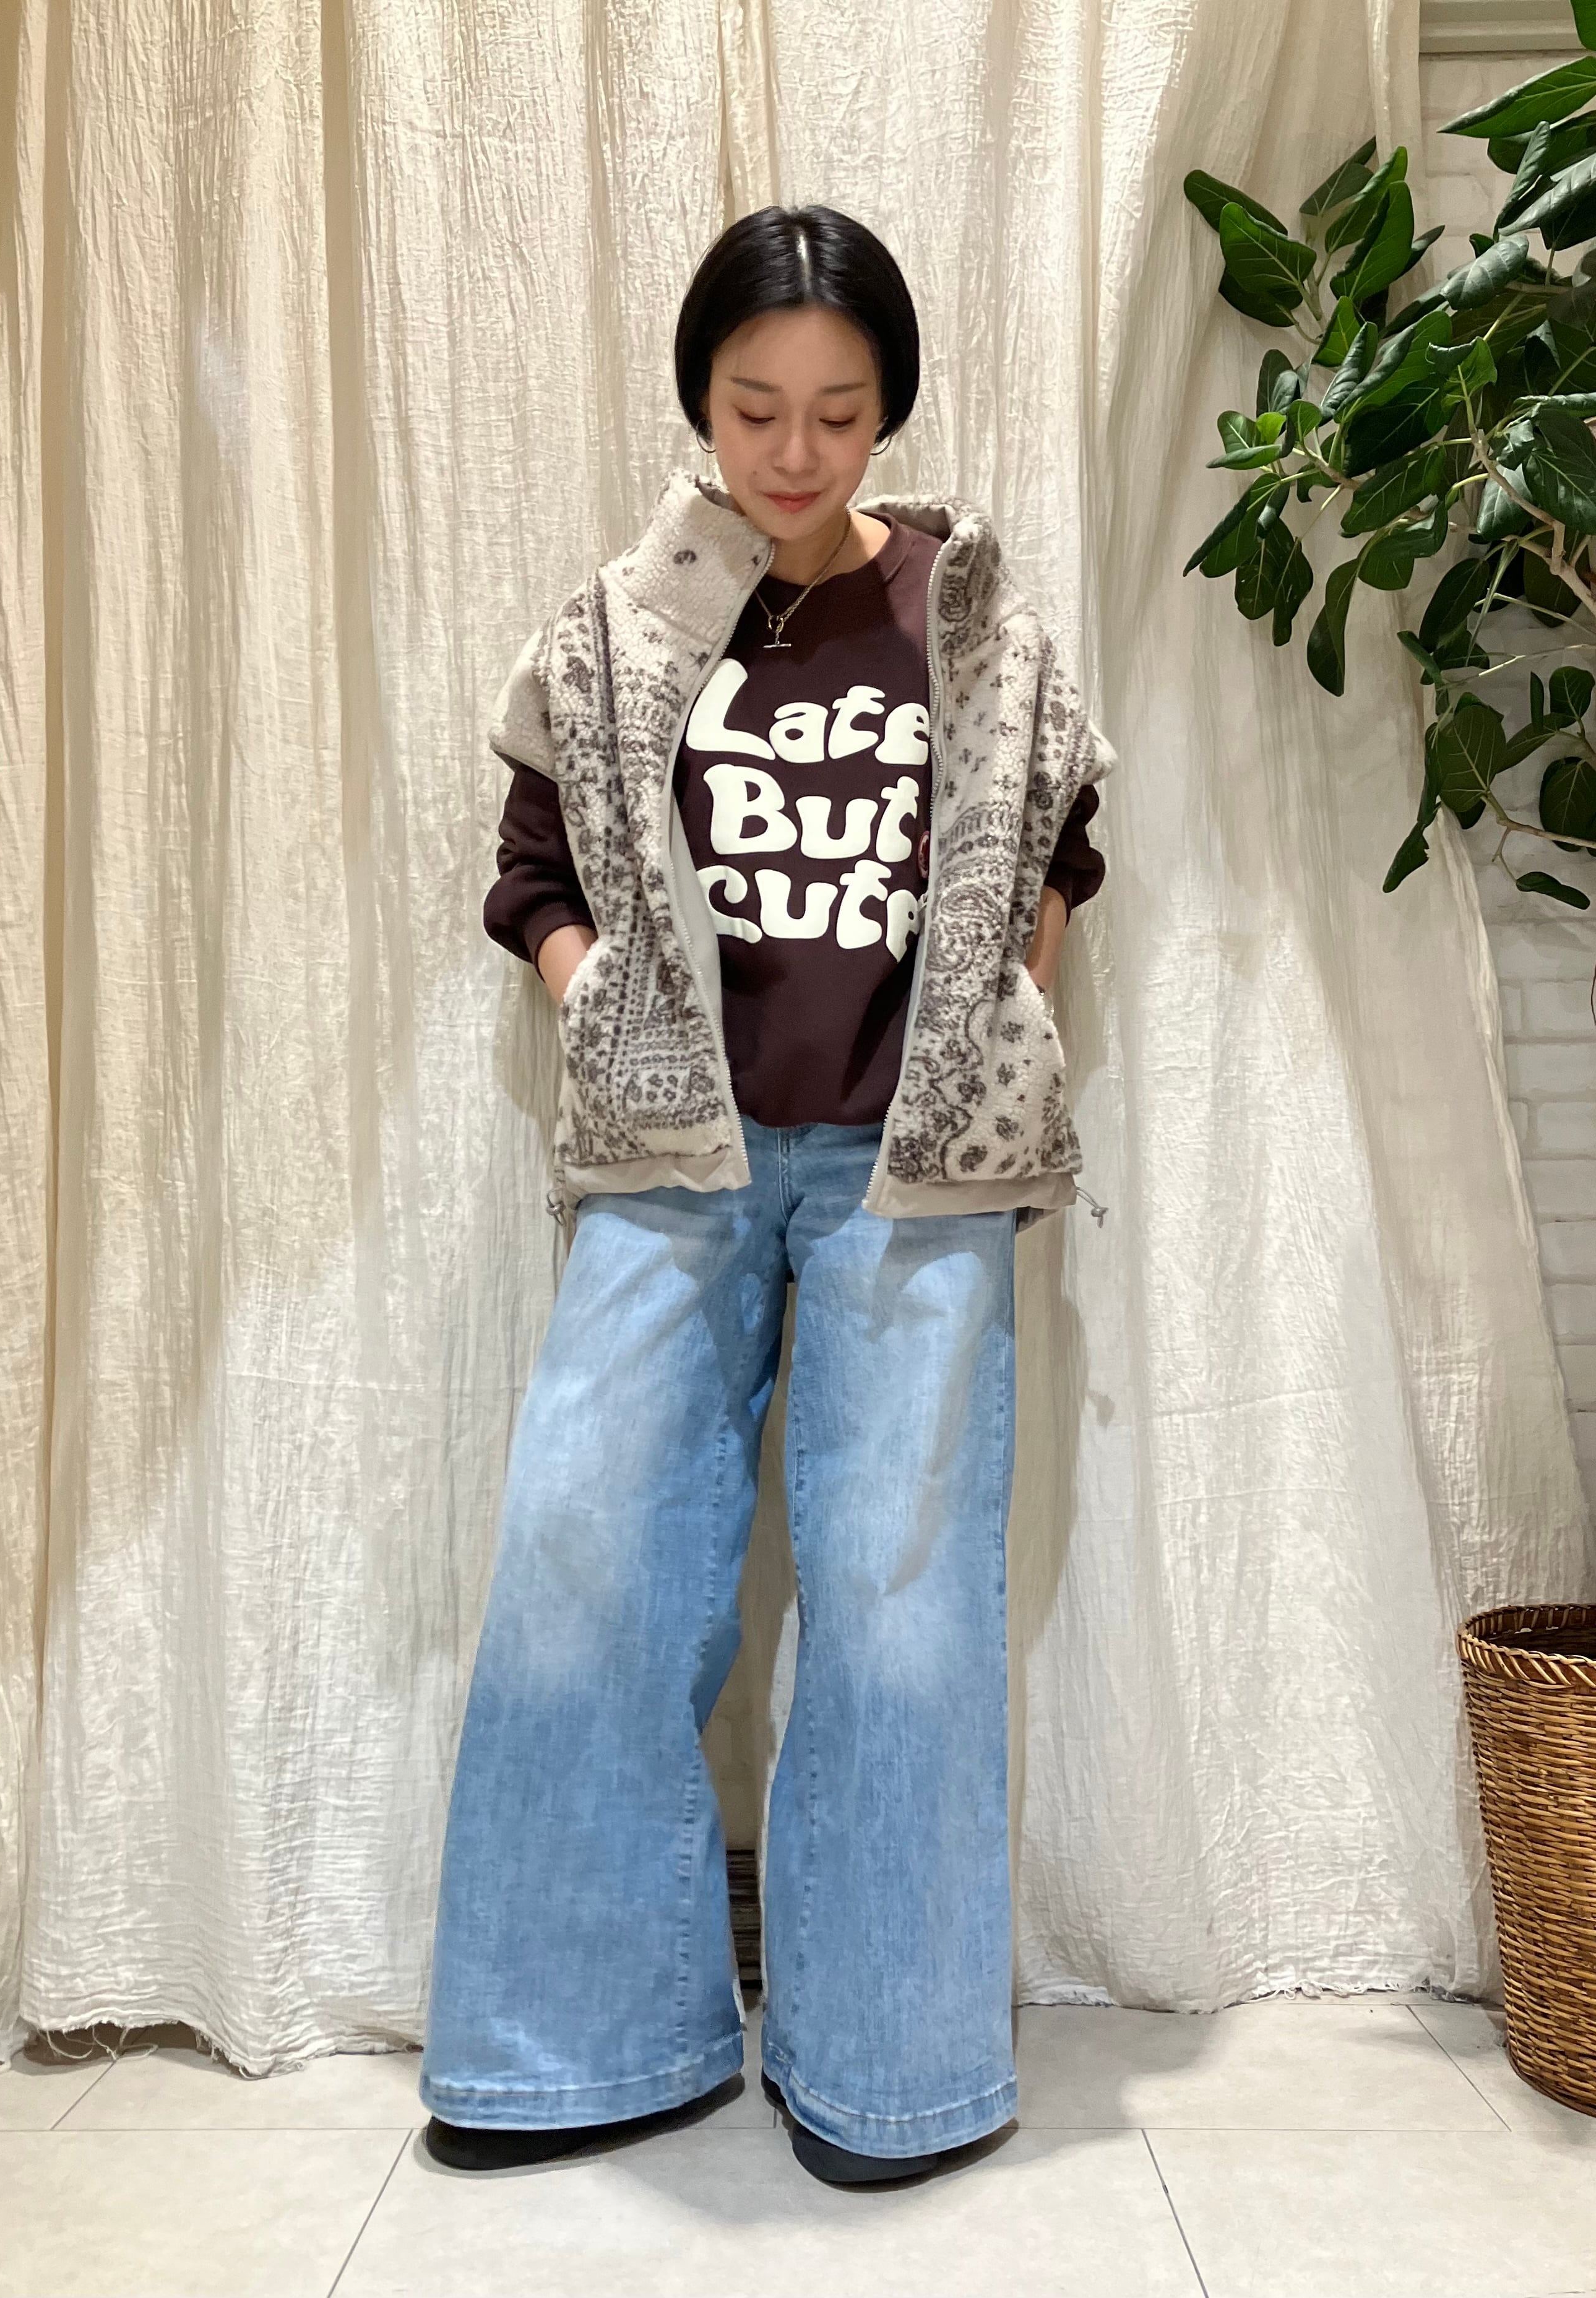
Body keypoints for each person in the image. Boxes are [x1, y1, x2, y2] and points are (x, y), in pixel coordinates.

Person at [419, 204, 1112, 2189]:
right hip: (673, 1160)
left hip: (911, 1166)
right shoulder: (626, 624)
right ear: (698, 399)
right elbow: (531, 867)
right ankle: (575, 2049)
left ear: (888, 405)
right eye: (753, 406)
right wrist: (600, 999)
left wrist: (996, 1014)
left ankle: (887, 2071)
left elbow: (1061, 838)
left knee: (897, 1612)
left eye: (835, 408)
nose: (793, 450)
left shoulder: (969, 619)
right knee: (583, 1567)